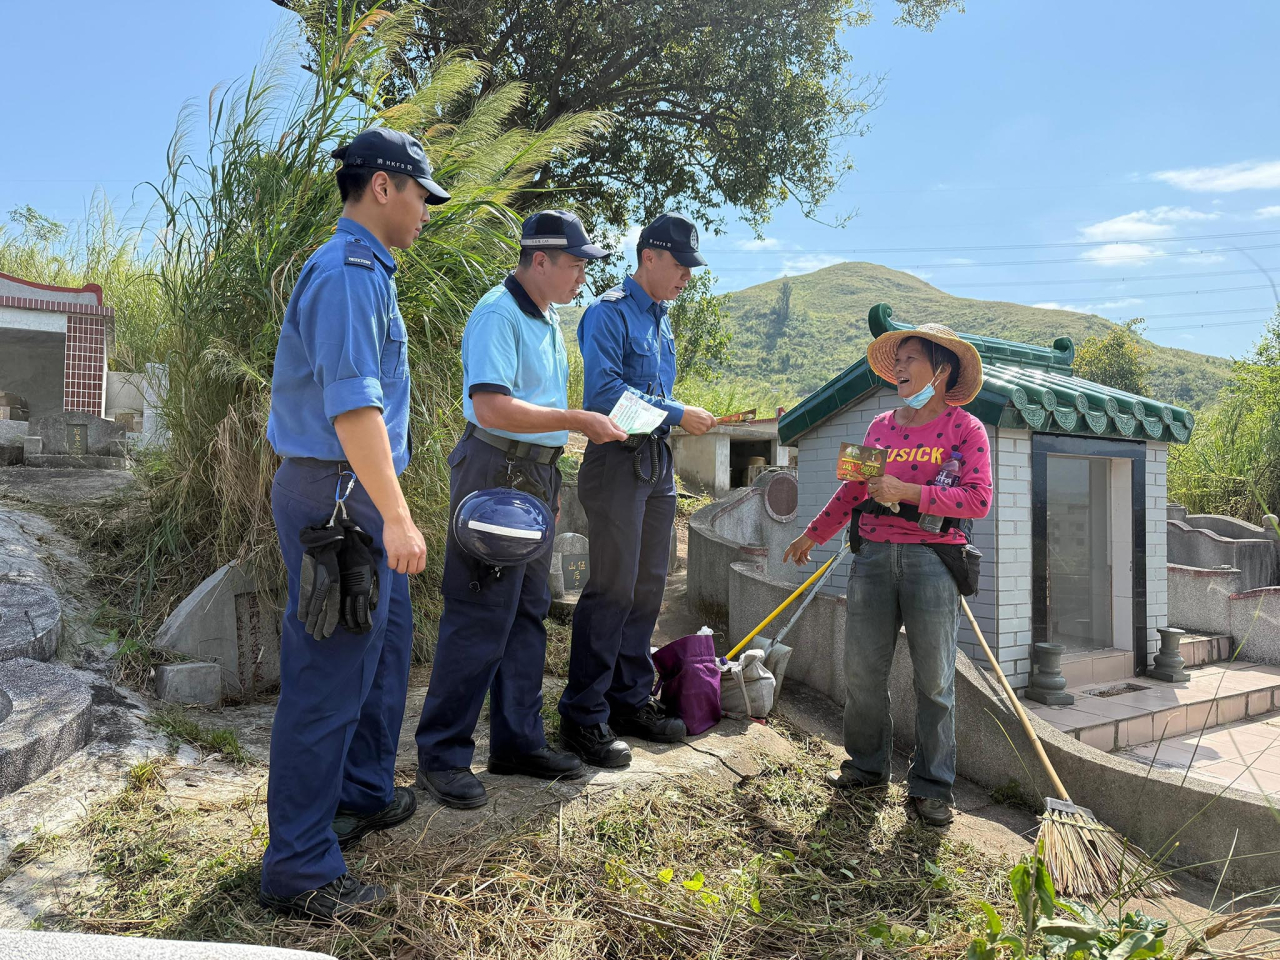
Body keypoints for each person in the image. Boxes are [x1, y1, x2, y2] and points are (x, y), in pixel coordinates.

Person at [259, 127, 450, 920]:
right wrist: (398, 519)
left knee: (383, 652)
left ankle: (363, 793)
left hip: (357, 495)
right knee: (327, 683)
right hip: (341, 502)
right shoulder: (347, 273)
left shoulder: (369, 272)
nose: (426, 213)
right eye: (420, 195)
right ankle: (299, 865)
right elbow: (353, 406)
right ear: (382, 187)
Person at [414, 210, 629, 808]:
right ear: (540, 260)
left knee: (528, 611)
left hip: (535, 477)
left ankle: (518, 740)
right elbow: (492, 407)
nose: (582, 277)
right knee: (480, 614)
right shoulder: (498, 314)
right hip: (495, 471)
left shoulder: (546, 317)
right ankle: (443, 754)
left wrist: (551, 482)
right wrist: (575, 420)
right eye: (576, 264)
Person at [783, 324, 991, 827]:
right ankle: (866, 766)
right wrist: (813, 533)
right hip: (873, 557)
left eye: (911, 358)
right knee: (862, 670)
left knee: (935, 679)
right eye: (896, 360)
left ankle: (932, 786)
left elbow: (978, 500)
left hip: (934, 562)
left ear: (942, 371)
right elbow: (853, 492)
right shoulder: (879, 427)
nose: (899, 368)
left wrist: (907, 490)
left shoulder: (967, 429)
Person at [556, 213, 718, 766]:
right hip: (617, 464)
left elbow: (647, 393)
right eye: (679, 266)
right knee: (613, 589)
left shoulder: (662, 320)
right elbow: (603, 395)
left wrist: (672, 419)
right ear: (648, 257)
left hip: (657, 467)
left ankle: (627, 700)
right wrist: (676, 412)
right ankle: (583, 713)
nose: (686, 278)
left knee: (651, 585)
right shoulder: (608, 314)